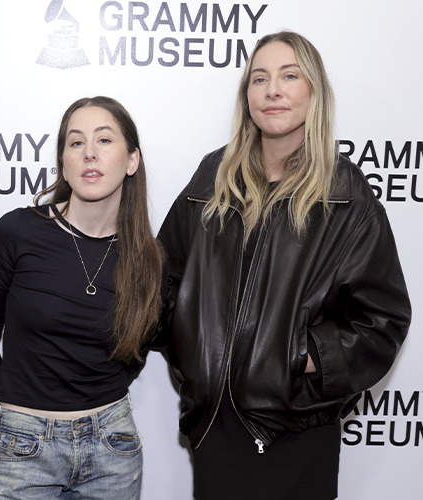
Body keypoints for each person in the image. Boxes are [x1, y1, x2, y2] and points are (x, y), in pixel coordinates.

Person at [157, 31, 411, 500]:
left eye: (289, 76)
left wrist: (301, 358)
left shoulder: (345, 195)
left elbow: (384, 321)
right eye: (259, 78)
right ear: (247, 96)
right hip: (215, 429)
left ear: (313, 92)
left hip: (296, 429)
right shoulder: (213, 178)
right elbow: (161, 282)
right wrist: (196, 350)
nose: (272, 90)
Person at [0, 96, 163, 499]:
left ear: (131, 161)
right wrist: (11, 412)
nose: (89, 153)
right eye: (76, 143)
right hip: (24, 446)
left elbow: (136, 350)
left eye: (105, 140)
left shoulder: (147, 256)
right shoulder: (17, 231)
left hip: (113, 447)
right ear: (63, 161)